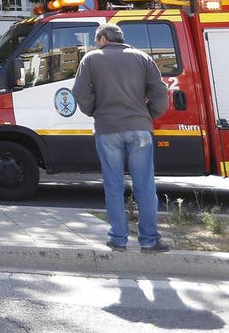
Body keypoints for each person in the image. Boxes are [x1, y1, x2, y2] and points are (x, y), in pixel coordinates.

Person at [72, 22, 171, 253]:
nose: (97, 44)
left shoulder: (91, 59)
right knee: (144, 185)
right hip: (139, 128)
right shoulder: (142, 58)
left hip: (107, 129)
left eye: (97, 40)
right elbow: (159, 91)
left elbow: (79, 91)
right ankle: (149, 240)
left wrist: (94, 110)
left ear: (103, 39)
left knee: (113, 185)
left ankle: (118, 239)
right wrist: (150, 115)